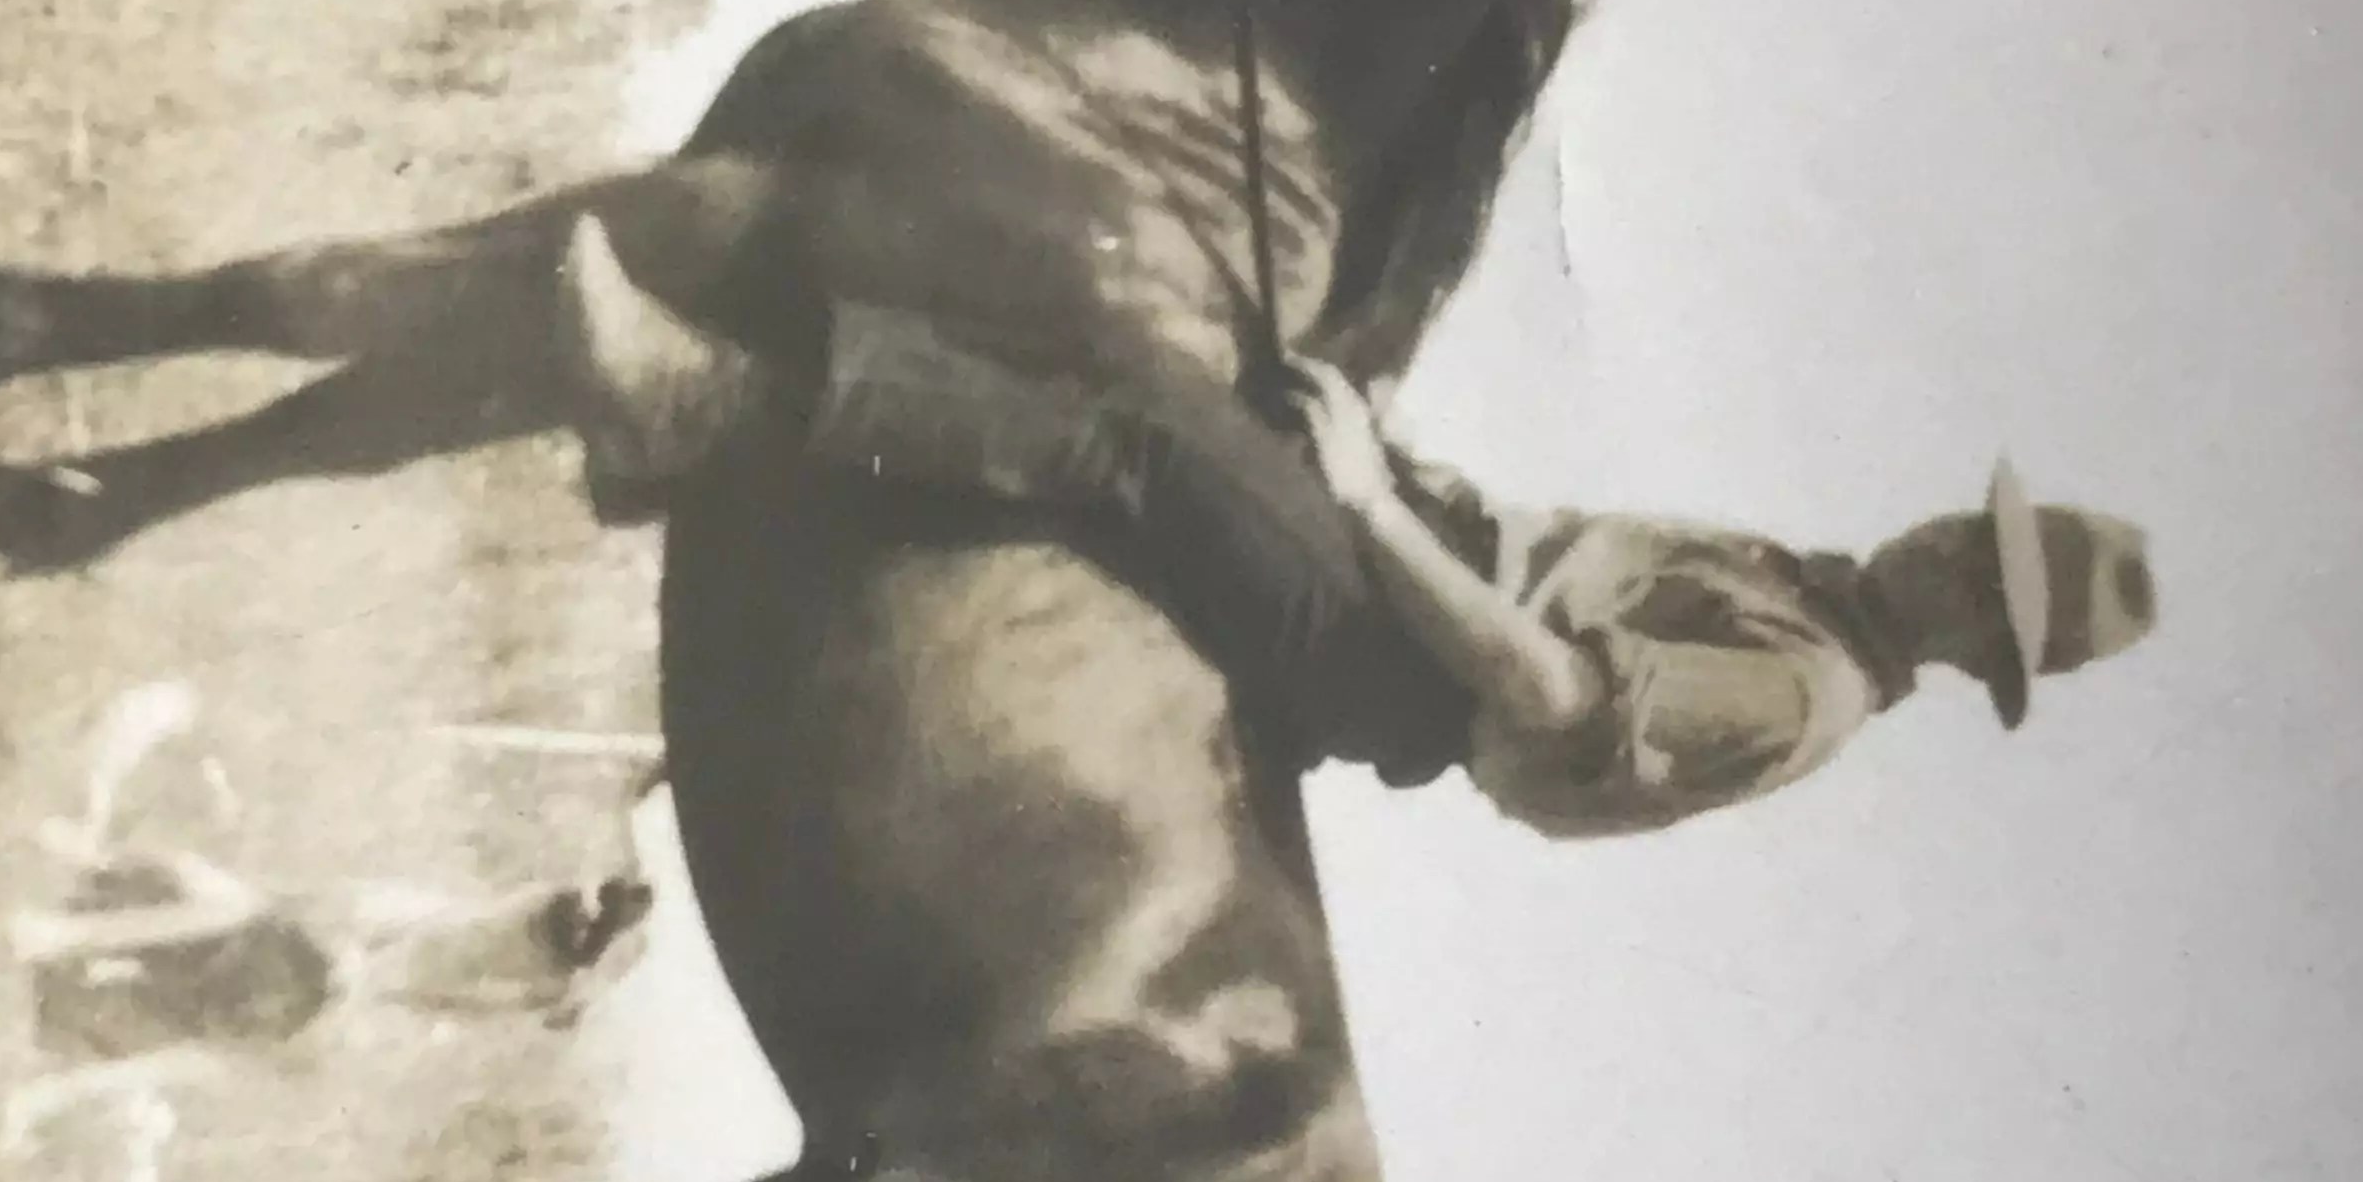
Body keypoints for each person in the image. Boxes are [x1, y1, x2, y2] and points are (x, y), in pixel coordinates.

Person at [551, 222, 2157, 840]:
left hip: (1398, 669)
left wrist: (1371, 501)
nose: (1942, 548)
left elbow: (1545, 695)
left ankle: (689, 416)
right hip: (1409, 573)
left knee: (1144, 436)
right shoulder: (1797, 589)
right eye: (1970, 526)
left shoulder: (1802, 692)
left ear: (1977, 655)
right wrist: (1388, 455)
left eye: (1974, 581)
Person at [13, 685, 657, 1065]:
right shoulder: (541, 928)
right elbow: (384, 927)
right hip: (327, 966)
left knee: (232, 933)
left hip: (329, 990)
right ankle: (69, 928)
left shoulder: (543, 975)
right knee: (200, 904)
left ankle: (64, 939)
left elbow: (425, 990)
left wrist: (352, 986)